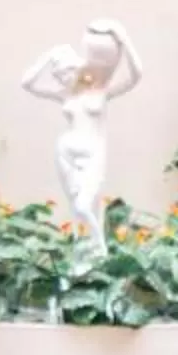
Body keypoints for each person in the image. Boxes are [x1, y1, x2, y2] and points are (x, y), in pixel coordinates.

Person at [20, 19, 142, 250]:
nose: (62, 78)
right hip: (66, 152)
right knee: (76, 209)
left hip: (92, 154)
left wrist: (124, 40)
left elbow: (136, 76)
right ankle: (79, 253)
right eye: (58, 76)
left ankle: (100, 249)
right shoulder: (65, 95)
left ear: (77, 68)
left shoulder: (101, 91)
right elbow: (26, 83)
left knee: (85, 206)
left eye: (66, 72)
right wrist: (49, 57)